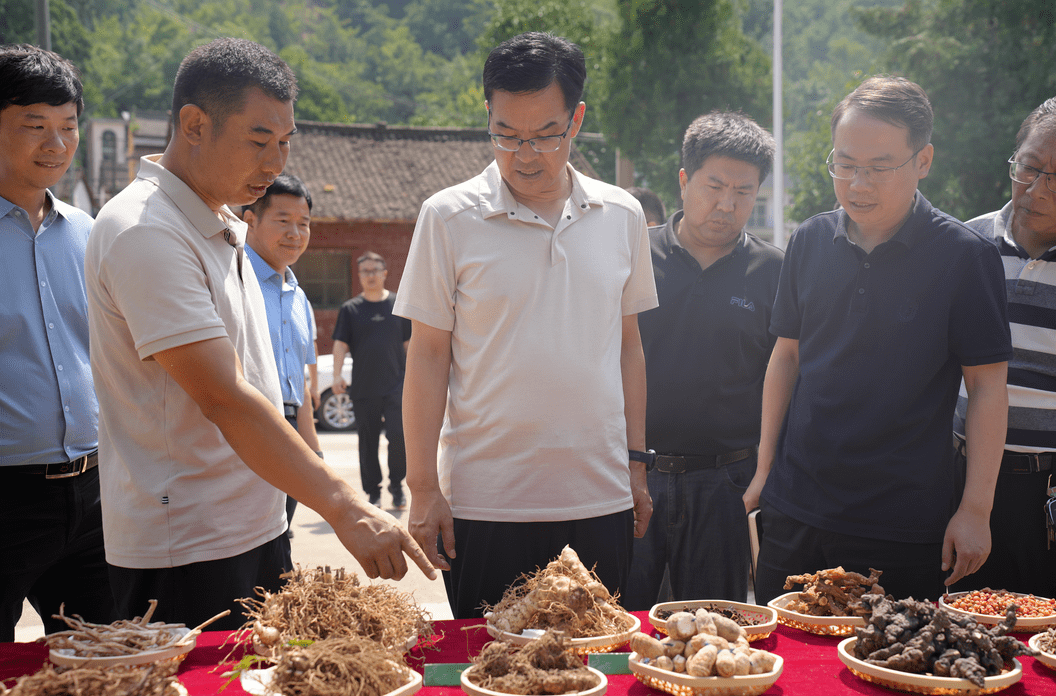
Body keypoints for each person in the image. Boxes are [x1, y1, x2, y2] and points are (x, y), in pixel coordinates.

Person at [85, 38, 434, 630]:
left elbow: (265, 380)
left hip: (254, 523)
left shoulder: (219, 220)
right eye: (257, 141)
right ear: (194, 124)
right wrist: (344, 505)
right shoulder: (145, 231)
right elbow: (223, 395)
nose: (274, 164)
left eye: (284, 142)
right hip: (187, 546)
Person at [395, 31, 657, 619]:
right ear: (487, 113)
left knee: (597, 660)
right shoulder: (448, 217)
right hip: (487, 506)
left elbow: (629, 348)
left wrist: (636, 467)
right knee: (490, 666)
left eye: (545, 135)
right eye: (506, 135)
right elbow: (428, 356)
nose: (525, 154)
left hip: (600, 498)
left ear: (578, 119)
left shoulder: (621, 215)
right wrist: (422, 489)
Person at [745, 76, 1012, 603]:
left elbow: (987, 388)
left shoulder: (965, 257)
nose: (857, 184)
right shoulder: (810, 240)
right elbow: (787, 357)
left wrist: (976, 509)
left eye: (879, 167)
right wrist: (764, 472)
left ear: (924, 160)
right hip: (794, 508)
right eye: (844, 164)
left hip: (901, 522)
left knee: (884, 672)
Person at [623, 112, 782, 609]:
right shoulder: (633, 256)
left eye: (744, 192)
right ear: (684, 180)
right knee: (619, 627)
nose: (727, 204)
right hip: (631, 477)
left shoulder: (774, 271)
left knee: (713, 630)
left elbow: (787, 377)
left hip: (725, 486)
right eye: (714, 186)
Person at [0, 44, 115, 641]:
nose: (57, 144)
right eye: (34, 126)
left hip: (95, 494)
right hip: (6, 496)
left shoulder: (91, 236)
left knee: (103, 658)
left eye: (68, 127)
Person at [951, 98, 1056, 597]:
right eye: (1029, 168)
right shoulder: (965, 247)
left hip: (1045, 495)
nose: (1035, 190)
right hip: (956, 478)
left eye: (1055, 178)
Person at [243, 173, 322, 537]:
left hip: (289, 430)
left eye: (303, 223)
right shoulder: (234, 282)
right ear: (250, 220)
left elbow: (299, 383)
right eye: (283, 221)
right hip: (247, 428)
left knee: (280, 541)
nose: (295, 233)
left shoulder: (298, 295)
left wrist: (315, 457)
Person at [332, 252, 410, 509]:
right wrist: (336, 374)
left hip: (397, 385)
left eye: (375, 269)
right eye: (365, 271)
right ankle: (373, 492)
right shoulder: (351, 309)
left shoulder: (399, 306)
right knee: (368, 442)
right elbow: (340, 344)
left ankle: (397, 486)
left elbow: (410, 345)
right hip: (364, 387)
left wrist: (416, 379)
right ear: (359, 275)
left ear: (385, 272)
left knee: (399, 437)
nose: (371, 275)